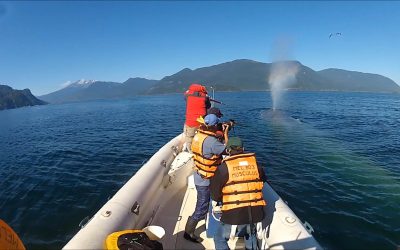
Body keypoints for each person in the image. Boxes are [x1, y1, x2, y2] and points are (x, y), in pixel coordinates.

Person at [210, 137, 267, 250]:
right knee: (250, 234)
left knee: (219, 238)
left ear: (228, 150)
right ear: (243, 149)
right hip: (256, 213)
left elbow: (215, 194)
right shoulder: (256, 164)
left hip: (234, 215)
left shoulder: (223, 168)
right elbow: (263, 180)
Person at [183, 114, 230, 243]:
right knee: (202, 208)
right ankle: (188, 233)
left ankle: (192, 222)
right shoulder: (213, 142)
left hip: (199, 175)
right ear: (215, 126)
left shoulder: (199, 135)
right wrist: (226, 132)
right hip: (206, 180)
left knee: (201, 204)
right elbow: (227, 149)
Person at [183, 83, 211, 152]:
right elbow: (208, 106)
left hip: (190, 121)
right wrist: (208, 98)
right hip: (201, 121)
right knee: (201, 136)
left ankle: (191, 152)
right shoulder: (205, 97)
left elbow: (185, 97)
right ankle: (200, 150)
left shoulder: (187, 95)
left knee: (189, 137)